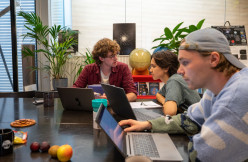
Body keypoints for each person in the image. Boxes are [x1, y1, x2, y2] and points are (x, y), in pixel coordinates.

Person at [119, 28, 248, 161]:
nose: (179, 71)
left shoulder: (237, 96)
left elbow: (200, 155)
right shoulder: (216, 88)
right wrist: (148, 124)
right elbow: (189, 119)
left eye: (185, 62)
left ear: (214, 59)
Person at [73, 38, 137, 102]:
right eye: (112, 56)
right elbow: (75, 90)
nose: (116, 58)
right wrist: (90, 96)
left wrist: (113, 99)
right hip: (95, 107)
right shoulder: (89, 69)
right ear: (101, 58)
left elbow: (133, 94)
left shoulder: (123, 68)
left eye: (116, 54)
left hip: (116, 108)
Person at [151, 50, 200, 115]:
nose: (150, 70)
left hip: (195, 121)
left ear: (166, 68)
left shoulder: (174, 81)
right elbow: (158, 94)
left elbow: (170, 112)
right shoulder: (173, 79)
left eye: (154, 66)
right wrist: (164, 102)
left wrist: (166, 104)